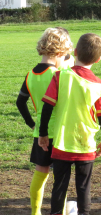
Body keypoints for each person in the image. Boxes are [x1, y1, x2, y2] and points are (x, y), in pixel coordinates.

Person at [38, 33, 101, 215]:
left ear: (75, 52)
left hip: (62, 143)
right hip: (86, 144)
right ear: (99, 59)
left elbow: (47, 107)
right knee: (84, 187)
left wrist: (43, 133)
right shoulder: (99, 85)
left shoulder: (60, 77)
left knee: (59, 186)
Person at [16, 28, 73, 215]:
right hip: (59, 133)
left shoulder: (30, 74)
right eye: (64, 55)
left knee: (40, 174)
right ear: (59, 52)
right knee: (60, 179)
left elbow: (20, 102)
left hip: (40, 133)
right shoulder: (59, 74)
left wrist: (32, 124)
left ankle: (35, 212)